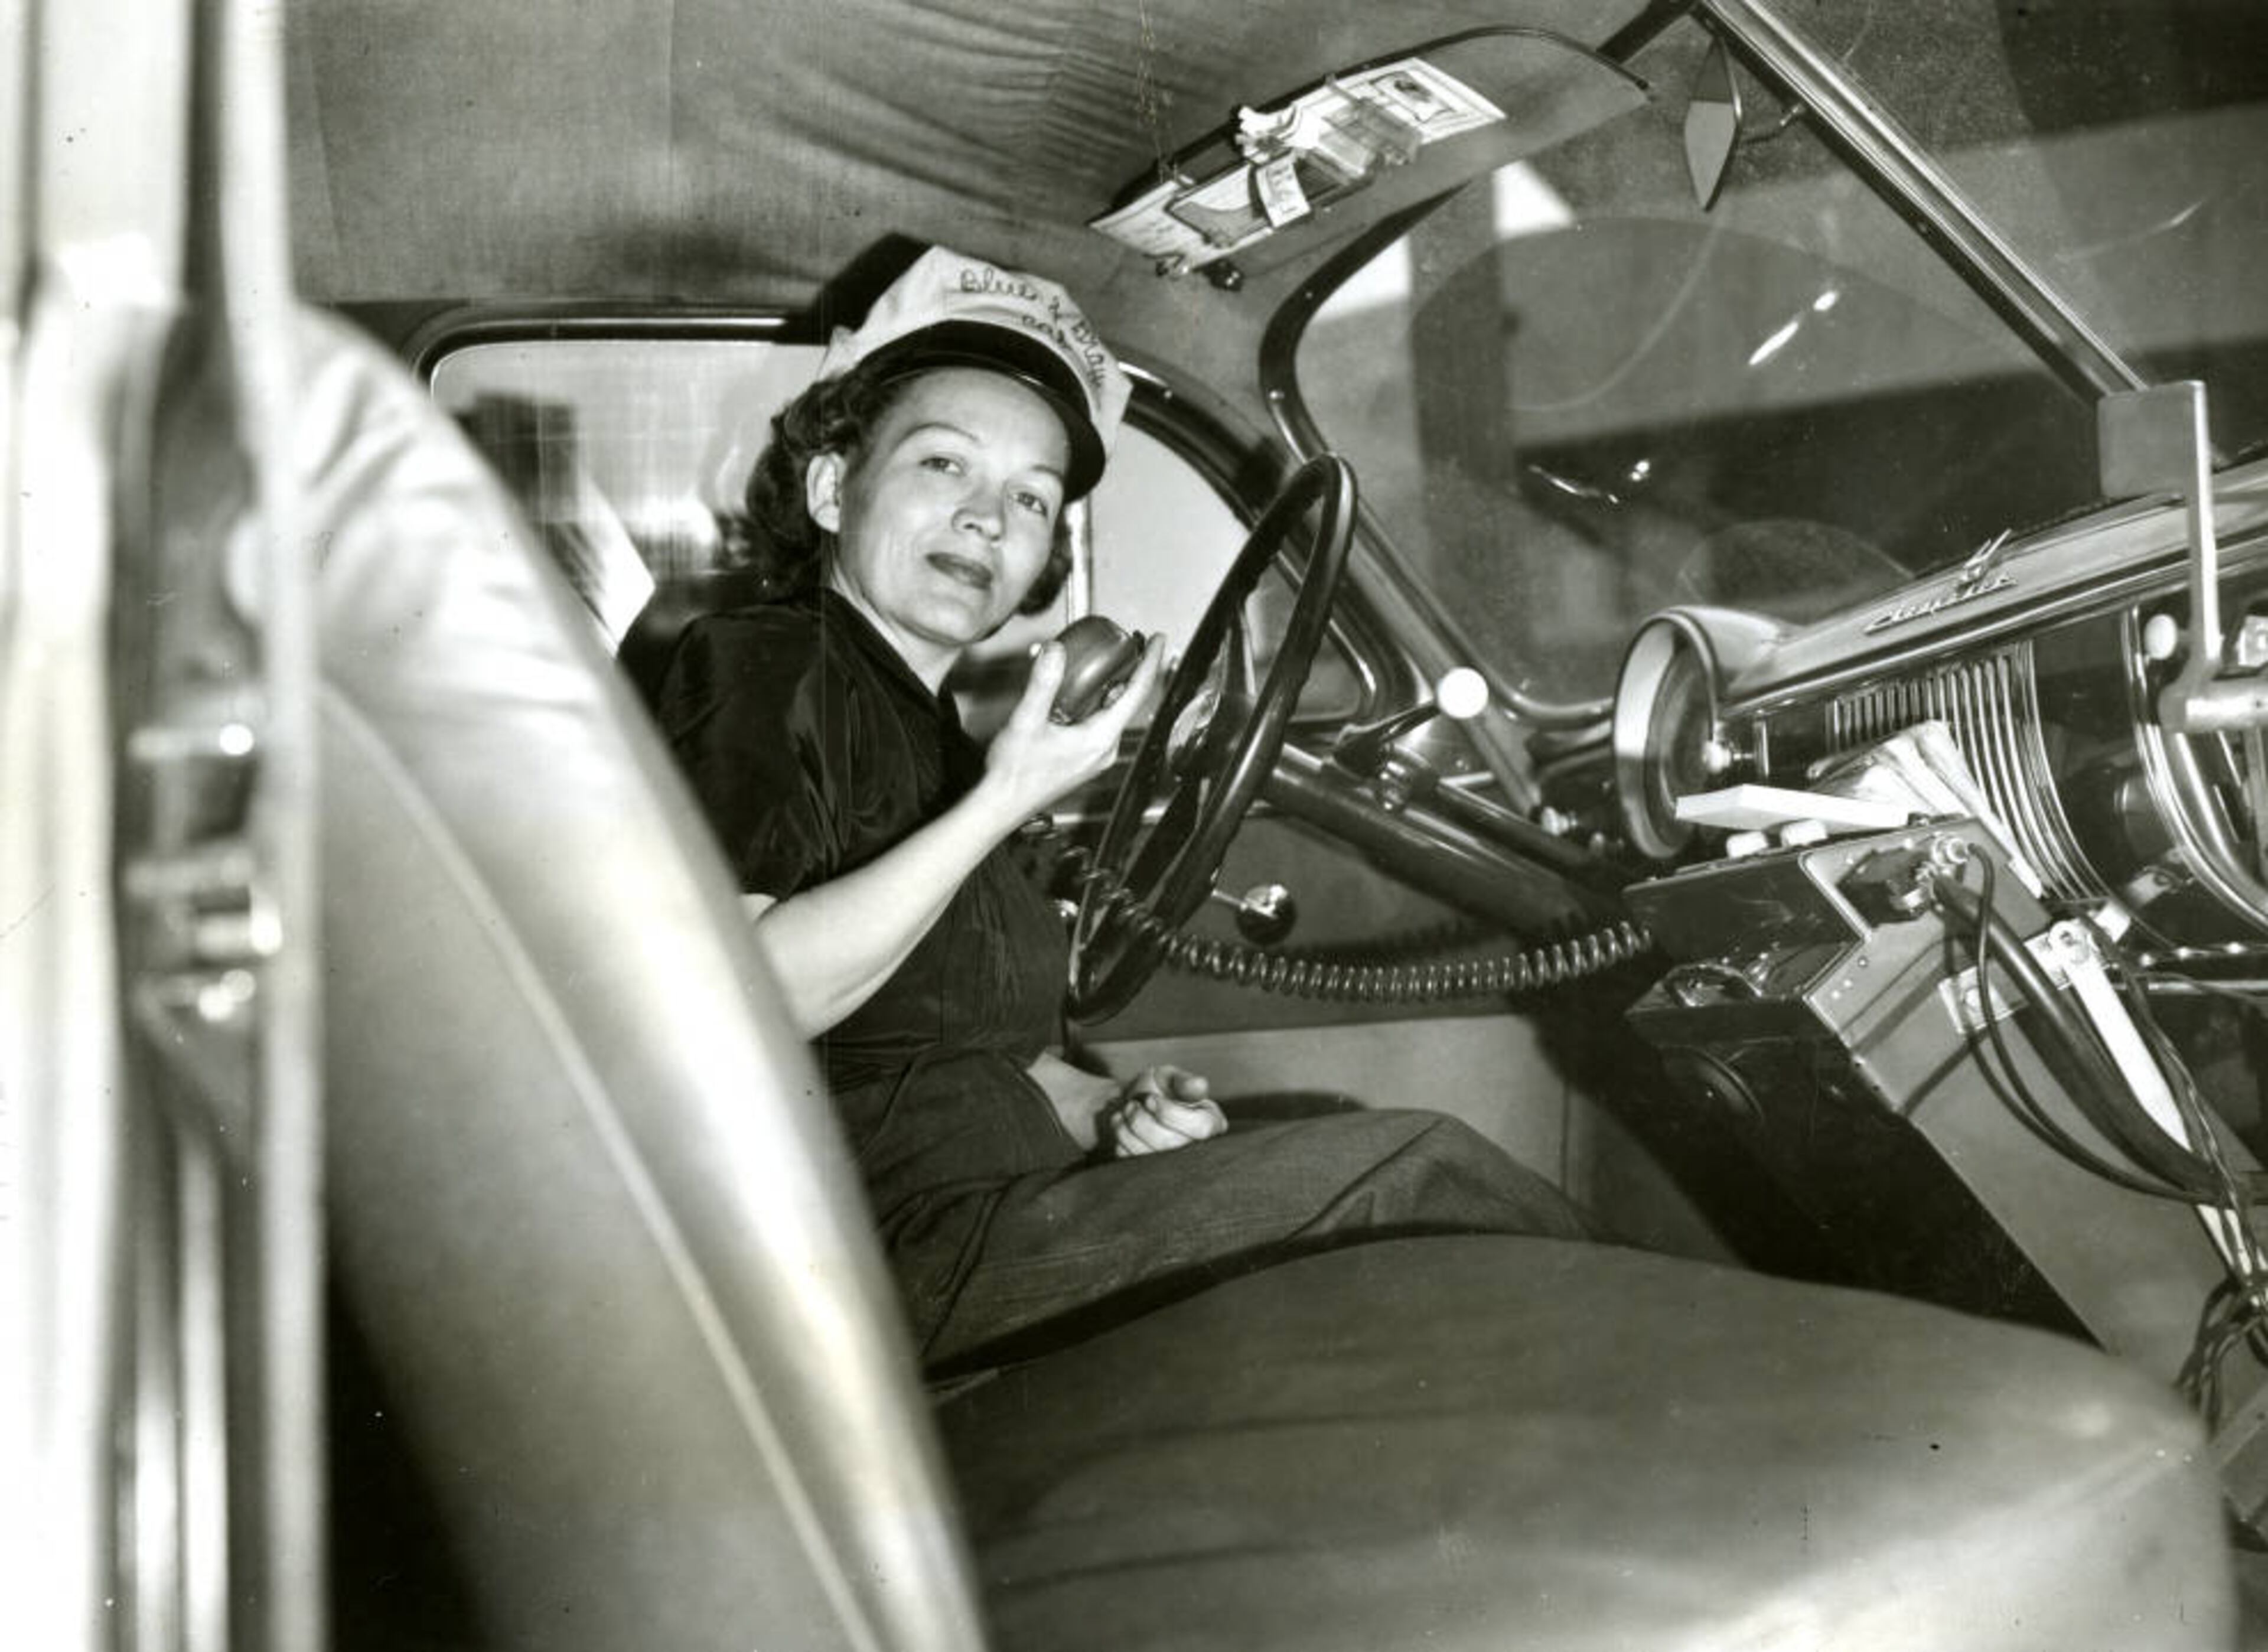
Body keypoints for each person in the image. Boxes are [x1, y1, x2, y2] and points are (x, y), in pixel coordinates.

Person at [653, 246, 1585, 1373]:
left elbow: (975, 1055)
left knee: (1349, 1149)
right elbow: (745, 1001)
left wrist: (1119, 1116)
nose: (989, 518)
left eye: (1030, 497)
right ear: (832, 488)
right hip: (865, 1269)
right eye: (942, 463)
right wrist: (1010, 796)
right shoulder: (767, 662)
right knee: (1418, 1175)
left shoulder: (939, 736)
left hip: (991, 1220)